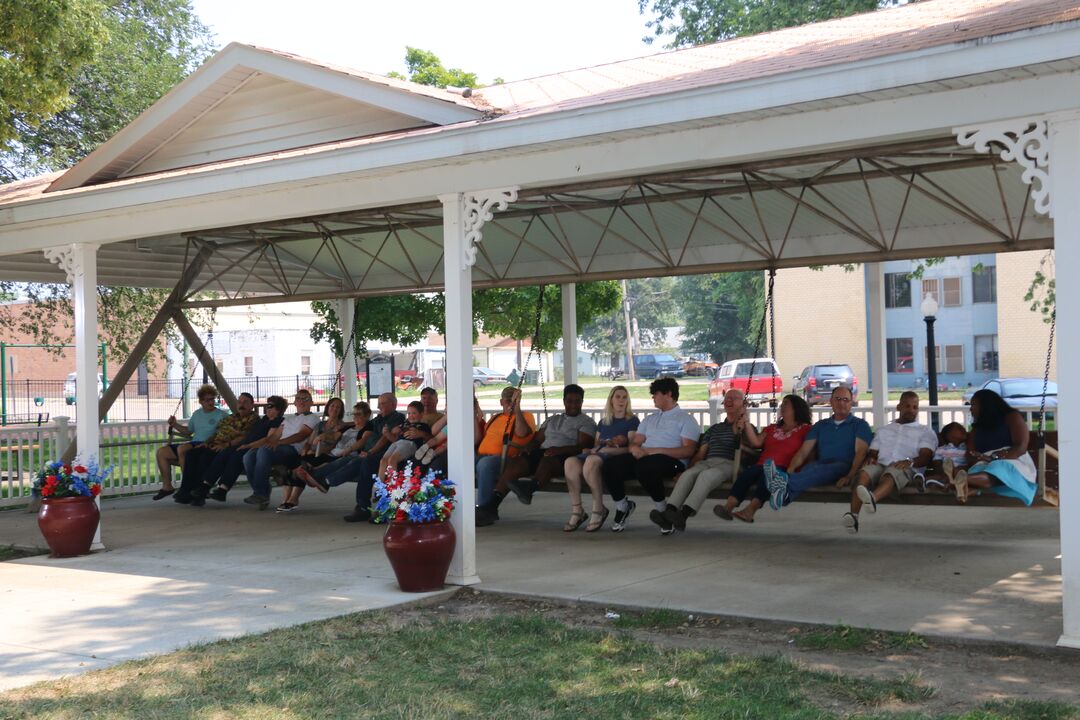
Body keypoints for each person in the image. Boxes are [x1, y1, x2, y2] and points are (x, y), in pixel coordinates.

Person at [602, 377, 700, 533]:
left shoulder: (686, 419)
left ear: (668, 394)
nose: (652, 397)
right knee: (610, 465)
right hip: (645, 458)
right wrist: (634, 448)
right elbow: (636, 442)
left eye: (655, 393)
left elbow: (688, 450)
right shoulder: (650, 419)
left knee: (645, 466)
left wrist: (655, 451)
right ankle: (623, 507)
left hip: (673, 462)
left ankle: (663, 512)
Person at [651, 389, 748, 534]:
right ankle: (669, 512)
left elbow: (748, 449)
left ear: (743, 403)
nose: (729, 401)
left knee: (706, 476)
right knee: (689, 475)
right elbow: (700, 454)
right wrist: (685, 471)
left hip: (730, 464)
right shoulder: (715, 429)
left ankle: (683, 515)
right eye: (727, 398)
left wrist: (742, 423)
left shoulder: (746, 427)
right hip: (708, 462)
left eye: (734, 398)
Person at [842, 391, 937, 534]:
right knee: (864, 472)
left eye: (915, 407)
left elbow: (926, 456)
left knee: (891, 473)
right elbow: (873, 452)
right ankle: (854, 516)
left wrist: (909, 461)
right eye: (907, 406)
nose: (911, 410)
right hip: (881, 463)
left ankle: (873, 498)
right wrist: (871, 458)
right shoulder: (884, 430)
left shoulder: (925, 431)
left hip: (905, 466)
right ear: (899, 407)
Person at [766, 385, 872, 510]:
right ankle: (783, 496)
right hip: (820, 465)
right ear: (831, 401)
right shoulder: (821, 425)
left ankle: (780, 482)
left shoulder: (860, 425)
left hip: (844, 466)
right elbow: (803, 452)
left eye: (845, 400)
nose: (841, 403)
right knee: (810, 469)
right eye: (837, 399)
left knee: (821, 470)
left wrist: (849, 476)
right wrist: (791, 469)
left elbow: (861, 453)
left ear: (851, 403)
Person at [714, 394, 813, 523]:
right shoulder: (772, 428)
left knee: (767, 477)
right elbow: (756, 443)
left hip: (784, 468)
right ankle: (728, 506)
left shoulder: (806, 429)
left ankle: (750, 510)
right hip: (762, 464)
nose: (782, 407)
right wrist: (746, 422)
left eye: (786, 404)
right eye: (782, 404)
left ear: (796, 408)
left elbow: (809, 450)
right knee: (747, 474)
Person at [502, 384, 596, 506]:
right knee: (518, 461)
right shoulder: (552, 419)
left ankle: (530, 488)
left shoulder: (586, 422)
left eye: (577, 401)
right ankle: (493, 501)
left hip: (567, 457)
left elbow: (582, 447)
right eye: (569, 401)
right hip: (545, 452)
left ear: (582, 402)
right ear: (564, 401)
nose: (573, 405)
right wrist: (529, 446)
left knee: (548, 461)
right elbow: (538, 440)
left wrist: (560, 450)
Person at [563, 386, 638, 533]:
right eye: (618, 397)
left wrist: (607, 450)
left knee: (591, 461)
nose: (621, 400)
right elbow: (596, 445)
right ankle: (577, 510)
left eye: (624, 397)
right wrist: (591, 449)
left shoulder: (632, 421)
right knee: (570, 462)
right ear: (611, 400)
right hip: (598, 453)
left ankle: (598, 509)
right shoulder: (604, 422)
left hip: (615, 457)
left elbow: (631, 448)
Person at [240, 389, 320, 510]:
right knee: (248, 456)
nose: (302, 401)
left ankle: (261, 493)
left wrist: (278, 443)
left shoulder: (312, 418)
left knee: (264, 451)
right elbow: (272, 437)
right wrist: (251, 445)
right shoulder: (287, 419)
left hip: (293, 450)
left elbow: (301, 435)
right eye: (299, 398)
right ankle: (261, 492)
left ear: (311, 403)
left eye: (305, 399)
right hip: (279, 447)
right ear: (295, 403)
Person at [956, 389, 1037, 505]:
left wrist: (994, 458)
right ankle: (964, 482)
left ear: (986, 405)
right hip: (985, 464)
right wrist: (977, 458)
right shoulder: (976, 428)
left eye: (973, 405)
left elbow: (1020, 447)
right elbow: (970, 452)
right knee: (977, 469)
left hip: (1012, 460)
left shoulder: (1012, 417)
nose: (971, 409)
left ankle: (963, 481)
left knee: (999, 467)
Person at [175, 392, 258, 505]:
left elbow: (244, 436)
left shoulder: (253, 419)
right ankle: (186, 489)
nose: (241, 405)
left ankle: (200, 490)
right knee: (191, 454)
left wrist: (226, 445)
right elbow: (218, 432)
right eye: (239, 402)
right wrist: (206, 443)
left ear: (252, 405)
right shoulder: (231, 417)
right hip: (215, 444)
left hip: (230, 447)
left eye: (245, 402)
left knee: (204, 458)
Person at [202, 395, 288, 502]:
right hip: (246, 444)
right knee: (224, 453)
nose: (267, 408)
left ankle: (223, 488)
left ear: (278, 409)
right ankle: (206, 484)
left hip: (254, 447)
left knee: (236, 457)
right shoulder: (264, 419)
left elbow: (268, 439)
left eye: (270, 406)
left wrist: (248, 446)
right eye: (267, 405)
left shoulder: (277, 421)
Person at [473, 387, 536, 524]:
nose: (510, 404)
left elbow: (522, 432)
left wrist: (517, 408)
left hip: (506, 460)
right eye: (508, 401)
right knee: (460, 460)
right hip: (482, 455)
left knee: (485, 464)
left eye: (513, 401)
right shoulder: (495, 418)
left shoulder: (526, 416)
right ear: (501, 402)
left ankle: (485, 510)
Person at [153, 384, 228, 500]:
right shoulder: (197, 414)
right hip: (194, 443)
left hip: (207, 445)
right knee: (162, 452)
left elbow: (227, 432)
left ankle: (188, 486)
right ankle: (167, 486)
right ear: (201, 401)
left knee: (182, 449)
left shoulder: (221, 415)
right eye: (207, 400)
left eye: (212, 399)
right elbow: (188, 432)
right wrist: (174, 424)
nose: (210, 402)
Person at [275, 397, 349, 513]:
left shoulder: (342, 426)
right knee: (291, 464)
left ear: (341, 410)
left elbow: (335, 445)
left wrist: (317, 451)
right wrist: (305, 449)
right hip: (312, 454)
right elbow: (309, 442)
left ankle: (293, 499)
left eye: (338, 407)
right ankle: (286, 499)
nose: (334, 409)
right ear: (327, 408)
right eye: (332, 406)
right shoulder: (320, 425)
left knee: (302, 466)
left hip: (326, 455)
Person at [378, 400, 433, 478]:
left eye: (414, 413)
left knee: (392, 460)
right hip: (398, 443)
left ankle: (393, 486)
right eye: (409, 413)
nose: (411, 416)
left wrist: (420, 434)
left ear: (421, 414)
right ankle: (380, 486)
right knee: (383, 461)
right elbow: (394, 436)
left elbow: (430, 438)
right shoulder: (404, 424)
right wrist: (387, 433)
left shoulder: (423, 426)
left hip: (410, 444)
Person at [926, 422, 968, 491]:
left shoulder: (967, 448)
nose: (963, 429)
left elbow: (969, 463)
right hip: (944, 473)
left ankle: (943, 484)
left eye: (963, 428)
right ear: (949, 435)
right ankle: (926, 482)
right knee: (936, 477)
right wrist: (945, 472)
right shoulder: (941, 449)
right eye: (959, 428)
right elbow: (937, 463)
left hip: (961, 473)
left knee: (960, 476)